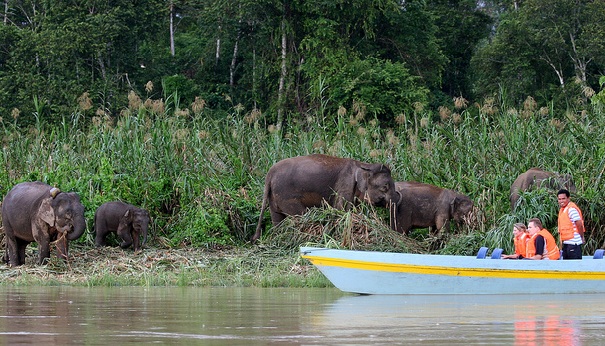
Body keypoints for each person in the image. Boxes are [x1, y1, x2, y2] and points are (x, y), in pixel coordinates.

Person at [557, 189, 585, 260]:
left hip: (574, 243)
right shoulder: (563, 210)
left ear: (568, 198)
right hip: (567, 243)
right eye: (559, 199)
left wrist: (582, 236)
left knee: (575, 267)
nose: (561, 201)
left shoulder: (571, 209)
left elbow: (579, 224)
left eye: (563, 199)